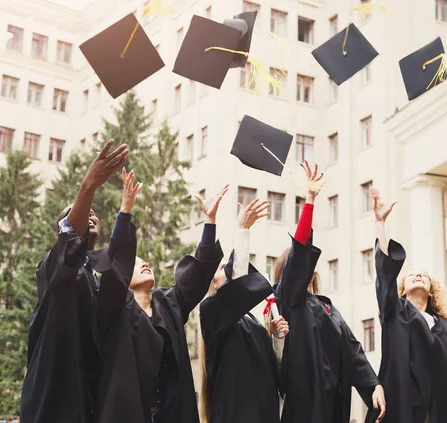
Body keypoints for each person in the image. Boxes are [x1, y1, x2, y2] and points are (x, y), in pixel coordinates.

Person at [93, 185, 229, 423]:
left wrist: (210, 221)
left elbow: (196, 277)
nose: (144, 264)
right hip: (126, 414)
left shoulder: (167, 304)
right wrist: (125, 210)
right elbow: (117, 264)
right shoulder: (114, 308)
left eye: (146, 262)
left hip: (170, 413)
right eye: (136, 263)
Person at [21, 140, 134, 423]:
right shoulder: (50, 267)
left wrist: (126, 211)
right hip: (55, 394)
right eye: (84, 214)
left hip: (88, 394)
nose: (91, 215)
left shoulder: (95, 273)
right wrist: (88, 188)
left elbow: (117, 271)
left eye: (93, 213)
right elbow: (69, 243)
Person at [273, 162, 386, 423]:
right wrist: (310, 201)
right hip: (304, 403)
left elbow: (353, 351)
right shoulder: (289, 298)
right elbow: (300, 249)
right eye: (299, 264)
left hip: (334, 403)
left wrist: (373, 385)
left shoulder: (328, 308)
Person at [370, 187, 447, 423]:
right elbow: (384, 276)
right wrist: (380, 225)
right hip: (401, 407)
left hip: (436, 411)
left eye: (424, 276)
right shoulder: (394, 313)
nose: (418, 276)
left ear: (432, 290)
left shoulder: (445, 328)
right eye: (412, 275)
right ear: (403, 289)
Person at [199, 198, 287, 423]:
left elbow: (274, 373)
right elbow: (237, 285)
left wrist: (276, 339)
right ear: (213, 282)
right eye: (221, 268)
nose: (227, 271)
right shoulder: (211, 311)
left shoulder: (251, 319)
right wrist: (242, 231)